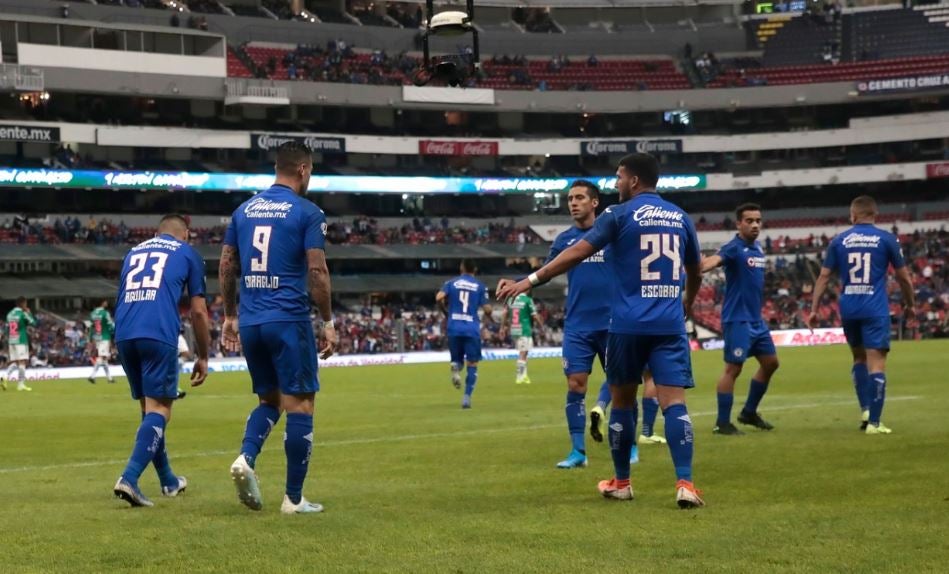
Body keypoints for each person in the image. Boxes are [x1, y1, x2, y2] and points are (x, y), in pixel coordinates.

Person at [497, 153, 704, 508]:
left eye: (619, 177)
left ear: (634, 181)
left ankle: (621, 482)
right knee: (675, 404)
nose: (615, 183)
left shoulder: (618, 214)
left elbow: (577, 251)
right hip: (669, 325)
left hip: (625, 325)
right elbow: (695, 270)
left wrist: (529, 280)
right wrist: (687, 302)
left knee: (622, 405)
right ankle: (685, 483)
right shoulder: (679, 217)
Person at [220, 141, 338, 514]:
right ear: (303, 170)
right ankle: (293, 498)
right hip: (287, 318)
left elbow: (225, 266)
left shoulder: (243, 211)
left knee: (269, 401)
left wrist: (229, 315)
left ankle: (246, 456)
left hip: (252, 320)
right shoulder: (307, 212)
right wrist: (329, 321)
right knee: (301, 403)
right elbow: (317, 271)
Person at [112, 214, 211, 507]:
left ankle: (168, 480)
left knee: (149, 411)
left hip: (125, 334)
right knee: (161, 410)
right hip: (157, 333)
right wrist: (203, 355)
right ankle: (129, 478)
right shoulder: (187, 253)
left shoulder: (132, 253)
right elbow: (198, 311)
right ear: (185, 235)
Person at [808, 195, 915, 434]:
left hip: (849, 309)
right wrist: (910, 304)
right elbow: (904, 277)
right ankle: (875, 423)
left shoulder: (839, 241)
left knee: (858, 359)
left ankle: (866, 410)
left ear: (853, 215)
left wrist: (814, 309)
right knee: (877, 364)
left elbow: (824, 276)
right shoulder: (886, 239)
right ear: (874, 214)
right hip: (874, 309)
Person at [536, 180, 612, 469]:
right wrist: (521, 283)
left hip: (613, 322)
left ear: (594, 203)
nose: (573, 203)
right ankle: (578, 451)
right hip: (578, 324)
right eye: (570, 198)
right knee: (575, 384)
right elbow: (545, 272)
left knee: (622, 384)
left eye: (580, 197)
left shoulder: (610, 234)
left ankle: (628, 443)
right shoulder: (563, 240)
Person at [701, 203, 780, 435]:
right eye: (749, 220)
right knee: (733, 369)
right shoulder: (734, 248)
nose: (755, 224)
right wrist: (700, 264)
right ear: (738, 224)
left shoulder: (757, 249)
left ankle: (749, 412)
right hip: (737, 319)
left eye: (758, 220)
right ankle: (722, 423)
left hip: (756, 321)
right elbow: (713, 262)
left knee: (771, 363)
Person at [436, 259, 490, 409]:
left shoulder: (451, 282)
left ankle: (455, 367)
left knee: (458, 362)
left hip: (453, 326)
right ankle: (466, 397)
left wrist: (445, 312)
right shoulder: (480, 286)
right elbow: (487, 309)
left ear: (461, 268)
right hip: (471, 328)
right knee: (472, 363)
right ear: (475, 269)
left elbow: (439, 297)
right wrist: (487, 319)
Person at [501, 291, 543, 385]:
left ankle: (524, 375)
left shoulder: (511, 299)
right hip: (524, 329)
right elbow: (535, 316)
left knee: (524, 352)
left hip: (514, 329)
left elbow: (504, 313)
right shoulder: (528, 300)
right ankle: (520, 377)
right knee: (523, 353)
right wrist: (541, 326)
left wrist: (502, 327)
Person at [4, 297, 36, 392]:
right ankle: (20, 385)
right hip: (21, 340)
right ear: (22, 304)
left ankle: (4, 377)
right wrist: (28, 312)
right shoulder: (22, 313)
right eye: (25, 304)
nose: (26, 306)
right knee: (22, 362)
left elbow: (9, 327)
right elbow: (33, 323)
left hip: (12, 340)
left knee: (16, 362)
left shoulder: (9, 314)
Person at [87, 299, 116, 384]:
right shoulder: (105, 313)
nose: (107, 303)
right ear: (102, 303)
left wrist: (90, 338)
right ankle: (92, 376)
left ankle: (109, 378)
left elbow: (91, 327)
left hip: (97, 337)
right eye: (105, 301)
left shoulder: (92, 313)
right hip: (104, 337)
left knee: (104, 359)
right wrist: (115, 332)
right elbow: (110, 324)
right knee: (102, 357)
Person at [176, 330, 190, 400]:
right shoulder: (179, 337)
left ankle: (176, 391)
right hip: (178, 359)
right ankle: (176, 391)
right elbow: (186, 353)